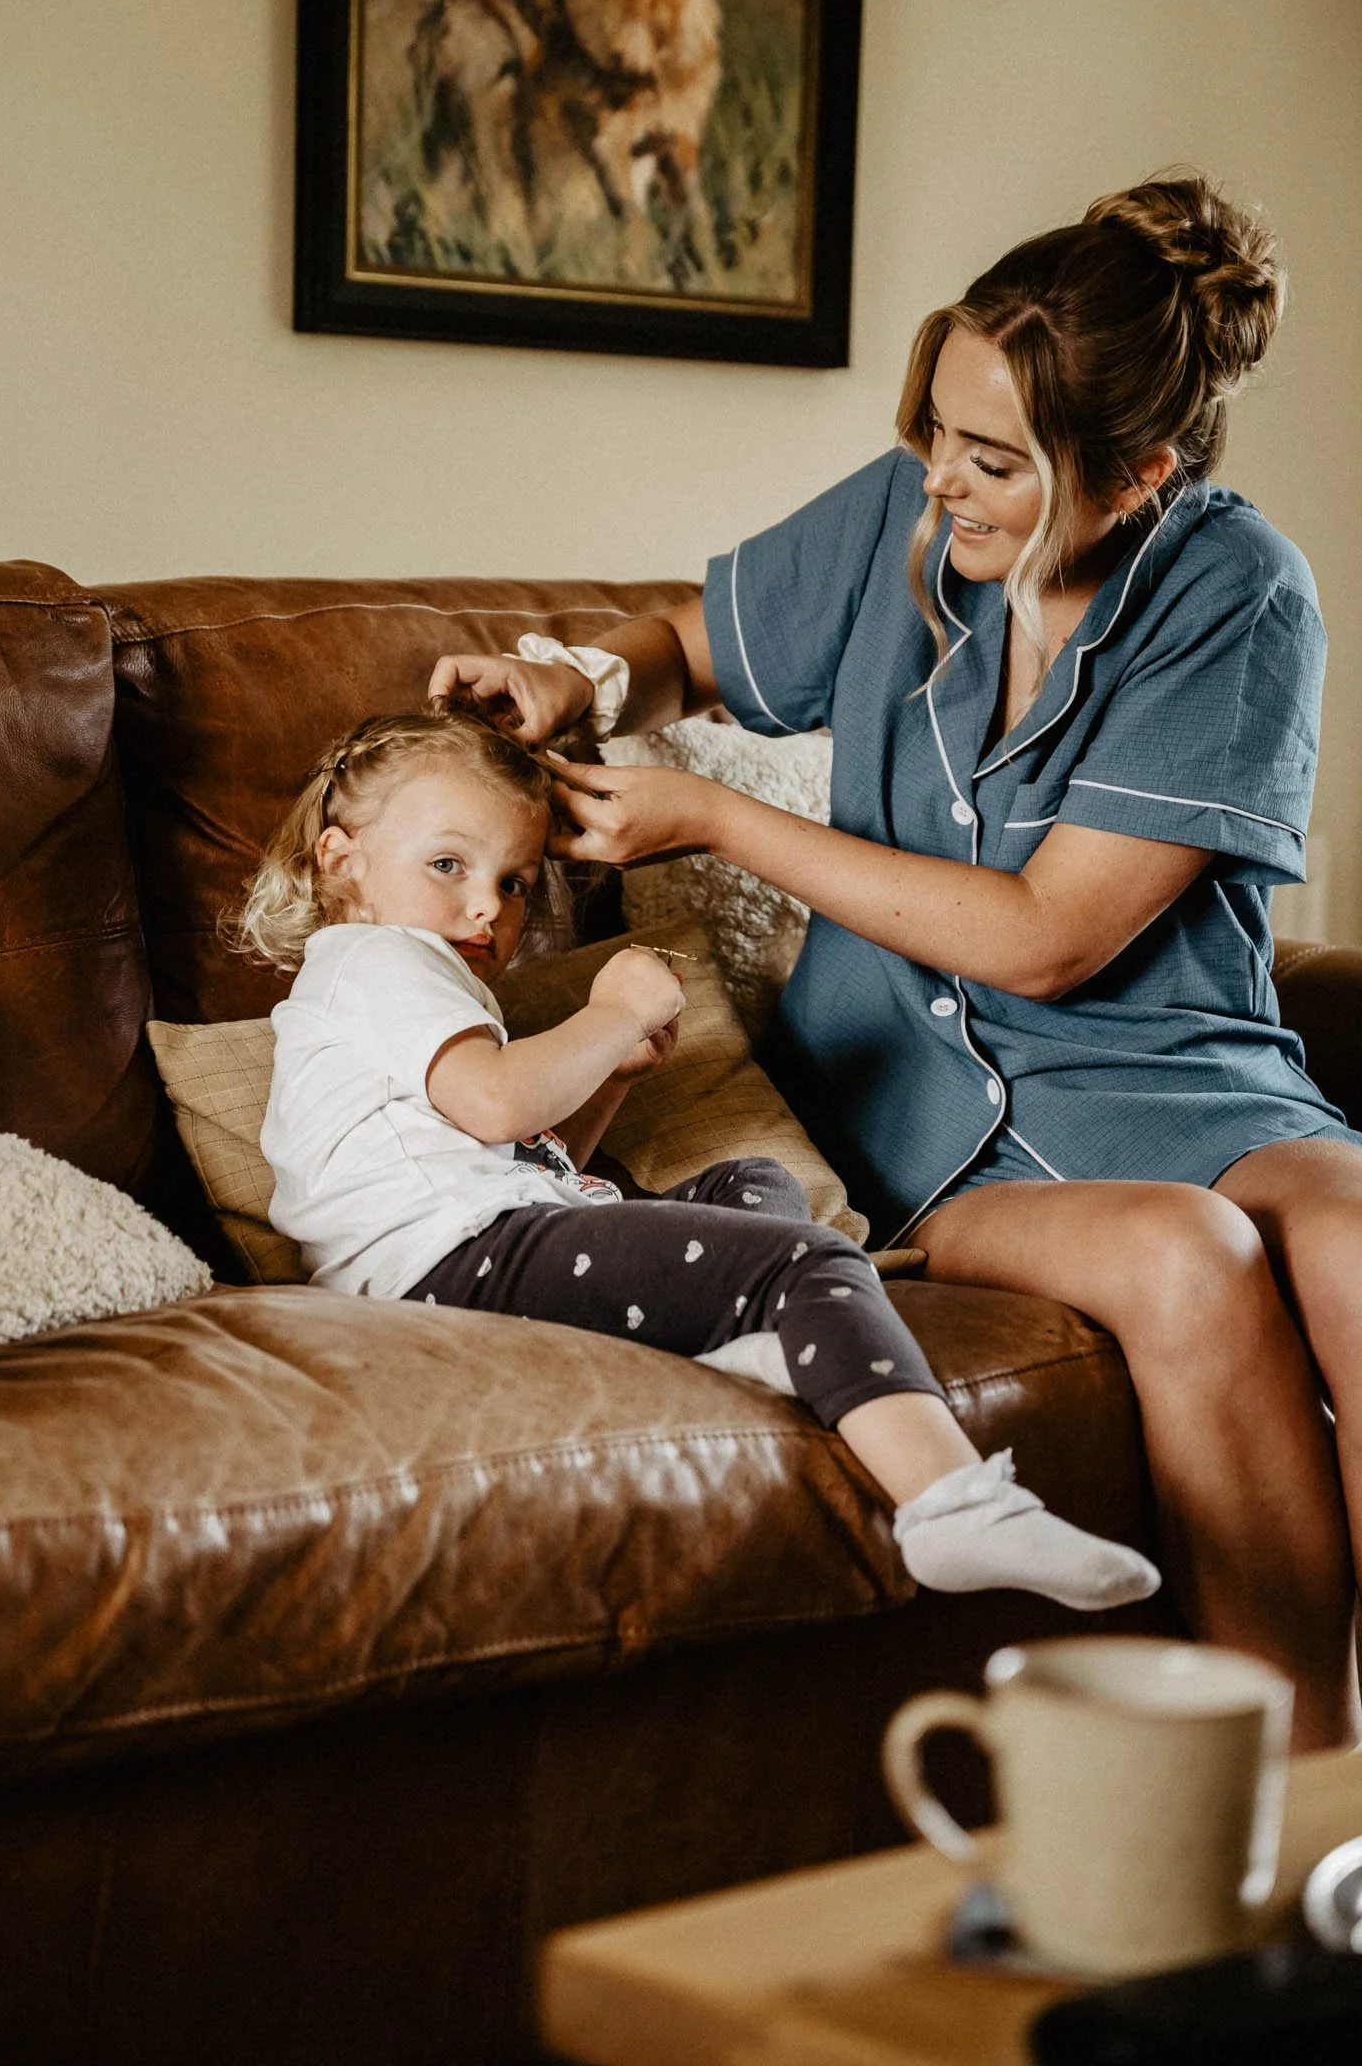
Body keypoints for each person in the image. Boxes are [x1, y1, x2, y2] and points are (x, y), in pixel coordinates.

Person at [428, 174, 1362, 1750]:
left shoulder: (1238, 592)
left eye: (995, 459)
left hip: (1179, 1072)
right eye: (937, 429)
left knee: (1352, 1237)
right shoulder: (905, 516)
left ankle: (1337, 1829)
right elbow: (689, 644)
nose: (942, 481)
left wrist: (715, 819)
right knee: (1191, 1259)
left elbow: (1053, 942)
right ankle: (1300, 1775)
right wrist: (571, 671)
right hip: (933, 1115)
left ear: (1133, 474)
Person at [235, 708, 1159, 1612]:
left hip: (476, 1241)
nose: (487, 903)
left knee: (754, 1187)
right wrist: (610, 1016)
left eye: (516, 882)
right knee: (808, 1254)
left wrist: (613, 1078)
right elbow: (499, 1103)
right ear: (340, 859)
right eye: (449, 864)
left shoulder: (400, 984)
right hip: (439, 1270)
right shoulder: (379, 960)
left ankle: (754, 1344)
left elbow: (523, 1154)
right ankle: (954, 1505)